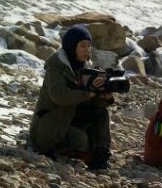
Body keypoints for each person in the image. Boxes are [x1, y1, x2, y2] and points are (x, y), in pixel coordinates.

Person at [29, 25, 114, 170]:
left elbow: (89, 101)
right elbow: (59, 96)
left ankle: (101, 155)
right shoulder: (56, 67)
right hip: (50, 125)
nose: (87, 50)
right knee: (81, 139)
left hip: (70, 117)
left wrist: (104, 96)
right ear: (71, 47)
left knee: (101, 113)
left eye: (88, 46)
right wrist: (88, 93)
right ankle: (56, 149)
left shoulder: (87, 67)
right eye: (82, 46)